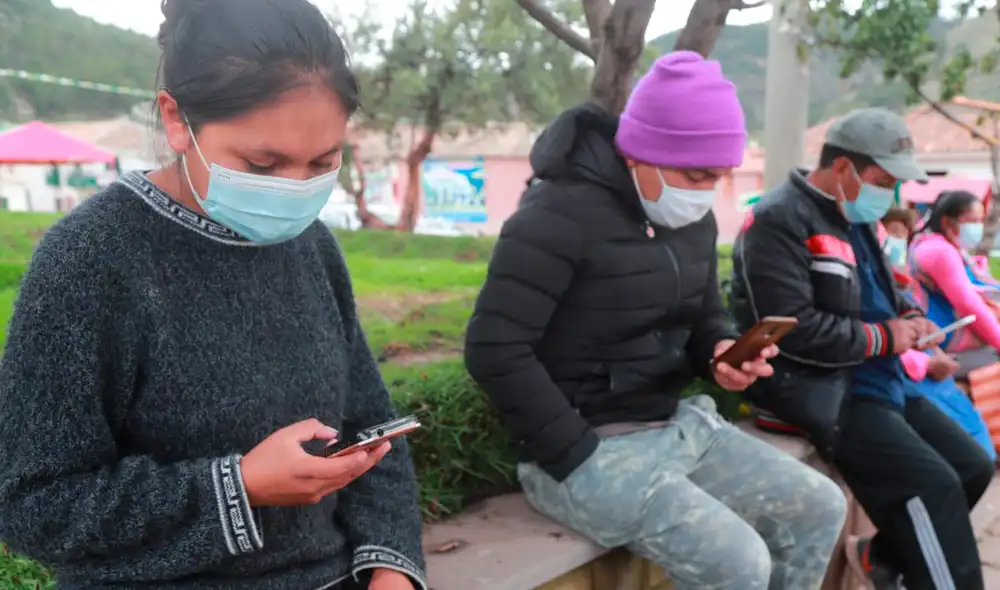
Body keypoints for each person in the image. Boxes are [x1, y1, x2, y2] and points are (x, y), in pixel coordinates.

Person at [0, 1, 426, 589]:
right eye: (262, 163)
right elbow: (30, 503)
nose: (294, 190)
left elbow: (373, 426)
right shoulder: (93, 260)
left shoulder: (313, 246)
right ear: (177, 120)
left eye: (322, 163)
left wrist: (392, 567)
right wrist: (238, 486)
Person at [464, 51, 847, 590]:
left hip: (673, 427)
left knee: (821, 505)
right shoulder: (555, 216)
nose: (706, 190)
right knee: (739, 562)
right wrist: (574, 452)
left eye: (719, 176)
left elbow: (705, 316)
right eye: (696, 174)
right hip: (585, 451)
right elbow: (493, 347)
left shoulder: (692, 217)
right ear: (639, 153)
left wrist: (720, 353)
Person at [730, 107, 995, 590]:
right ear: (843, 168)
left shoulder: (852, 219)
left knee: (973, 465)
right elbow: (790, 329)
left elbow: (885, 293)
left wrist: (910, 318)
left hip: (878, 379)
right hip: (826, 390)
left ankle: (881, 557)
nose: (889, 196)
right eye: (883, 181)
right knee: (932, 487)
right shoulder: (777, 220)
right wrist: (885, 337)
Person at [909, 190, 1000, 375]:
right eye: (972, 221)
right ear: (947, 222)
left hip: (946, 336)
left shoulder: (933, 242)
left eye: (981, 221)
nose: (978, 227)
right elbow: (968, 304)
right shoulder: (940, 251)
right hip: (950, 341)